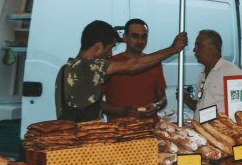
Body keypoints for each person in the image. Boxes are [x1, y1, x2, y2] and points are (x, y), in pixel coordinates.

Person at [59, 20, 187, 122]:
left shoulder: (67, 67)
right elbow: (131, 66)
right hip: (80, 140)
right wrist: (173, 49)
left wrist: (155, 106)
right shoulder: (90, 67)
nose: (109, 54)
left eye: (144, 37)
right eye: (109, 48)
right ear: (98, 47)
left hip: (73, 137)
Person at [100, 18, 168, 122]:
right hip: (119, 130)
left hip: (150, 129)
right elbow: (97, 103)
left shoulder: (154, 63)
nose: (140, 41)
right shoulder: (111, 65)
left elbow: (162, 98)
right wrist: (122, 111)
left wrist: (156, 105)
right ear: (125, 37)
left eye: (144, 37)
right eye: (135, 36)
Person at [183, 29, 242, 112]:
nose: (194, 50)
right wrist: (188, 101)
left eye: (199, 46)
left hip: (220, 125)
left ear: (213, 47)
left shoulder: (232, 72)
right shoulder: (202, 74)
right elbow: (201, 108)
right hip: (201, 125)